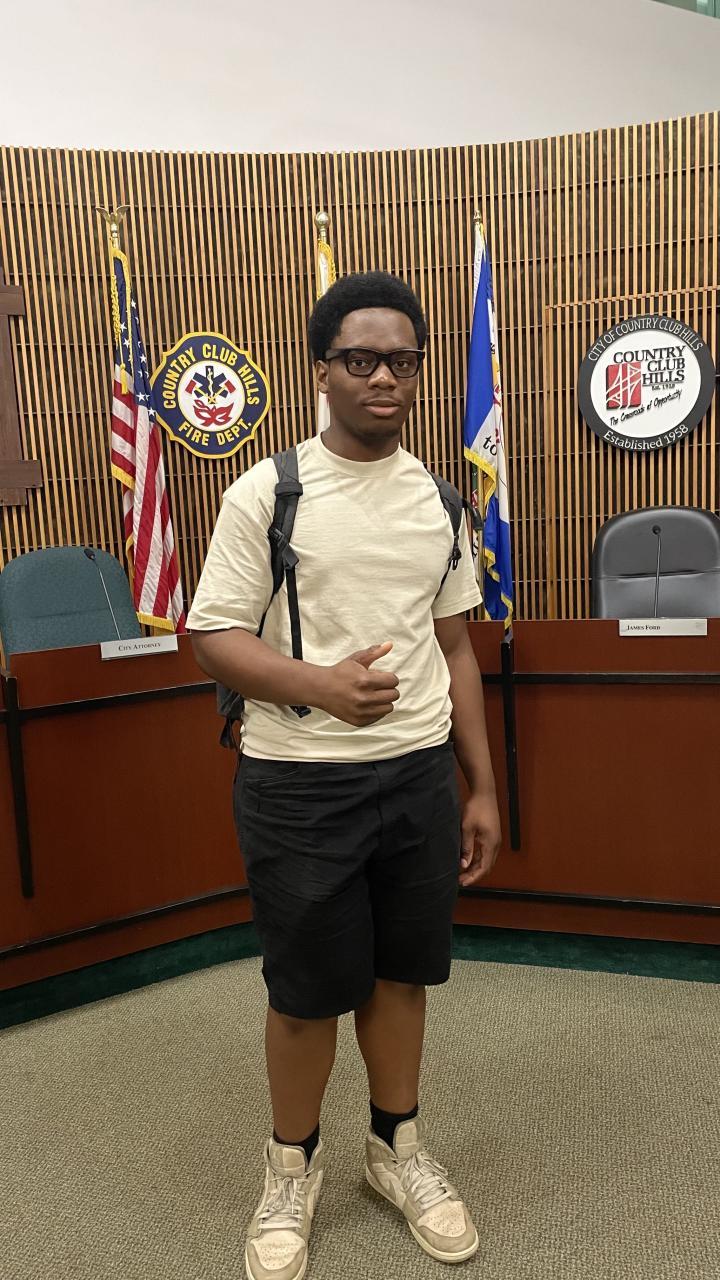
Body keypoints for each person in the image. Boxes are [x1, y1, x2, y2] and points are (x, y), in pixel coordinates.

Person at [188, 270, 502, 1280]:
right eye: (360, 359)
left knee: (403, 973)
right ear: (322, 369)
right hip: (299, 781)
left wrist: (481, 786)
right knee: (304, 991)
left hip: (415, 778)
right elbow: (213, 634)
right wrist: (319, 687)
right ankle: (291, 1165)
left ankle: (394, 1149)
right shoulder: (268, 491)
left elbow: (455, 648)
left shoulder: (439, 499)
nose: (383, 378)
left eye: (401, 361)